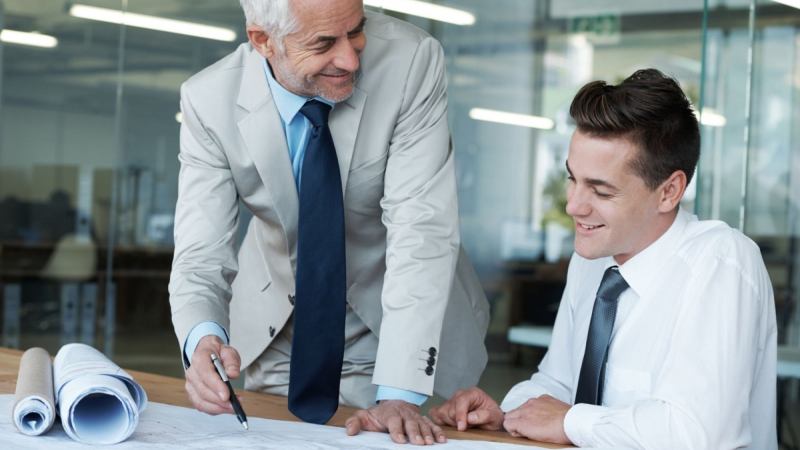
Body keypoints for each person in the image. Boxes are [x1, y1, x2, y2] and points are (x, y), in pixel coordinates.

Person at [168, 0, 490, 445]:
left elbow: (421, 230)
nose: (350, 59)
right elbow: (200, 253)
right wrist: (202, 336)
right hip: (278, 328)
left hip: (396, 318)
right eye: (323, 43)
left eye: (356, 31)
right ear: (263, 40)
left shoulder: (410, 60)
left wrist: (398, 394)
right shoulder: (209, 100)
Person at [429, 69, 777, 449]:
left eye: (601, 191)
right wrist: (506, 414)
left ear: (669, 191)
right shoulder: (592, 259)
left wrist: (569, 421)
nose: (573, 206)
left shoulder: (721, 262)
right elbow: (559, 383)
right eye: (573, 179)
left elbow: (694, 433)